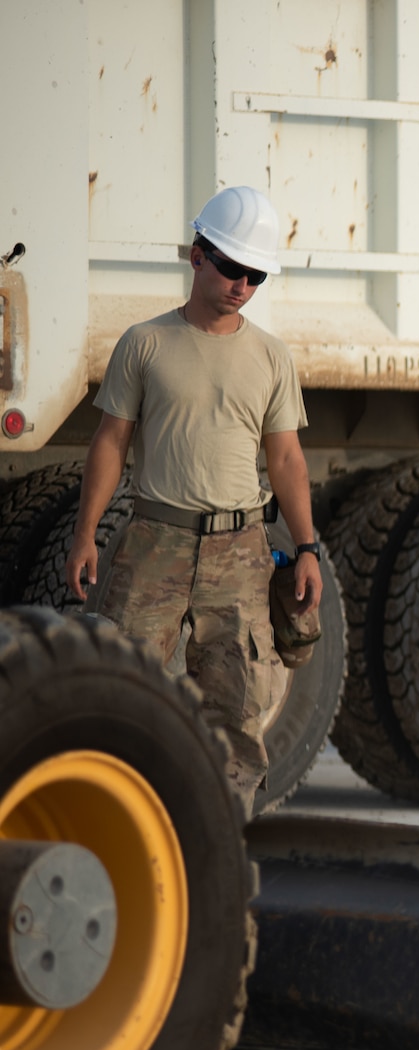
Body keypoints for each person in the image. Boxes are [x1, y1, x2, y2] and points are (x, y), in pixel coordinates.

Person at [65, 185, 321, 817]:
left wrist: (308, 547)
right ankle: (112, 826)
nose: (241, 285)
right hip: (156, 541)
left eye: (255, 275)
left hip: (242, 551)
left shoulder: (270, 356)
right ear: (197, 256)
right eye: (232, 267)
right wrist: (85, 533)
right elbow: (111, 442)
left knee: (236, 711)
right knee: (122, 694)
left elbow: (285, 458)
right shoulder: (144, 344)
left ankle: (222, 851)